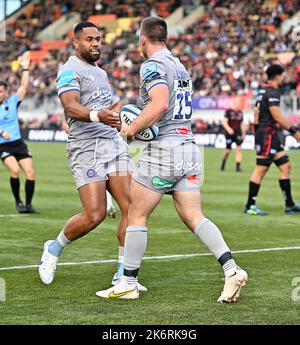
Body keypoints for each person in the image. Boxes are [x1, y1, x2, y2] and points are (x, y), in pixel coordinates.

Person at [96, 16, 247, 303]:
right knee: (194, 216)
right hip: (189, 148)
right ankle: (231, 269)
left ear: (142, 39)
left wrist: (131, 128)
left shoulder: (152, 64)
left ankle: (127, 282)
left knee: (135, 214)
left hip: (165, 150)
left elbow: (160, 102)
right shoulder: (180, 66)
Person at [38, 21, 146, 291]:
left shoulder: (101, 72)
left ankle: (124, 274)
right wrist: (98, 115)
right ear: (76, 42)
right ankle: (53, 248)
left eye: (98, 38)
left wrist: (119, 120)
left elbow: (106, 105)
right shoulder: (69, 70)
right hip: (86, 148)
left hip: (112, 144)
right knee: (94, 215)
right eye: (89, 39)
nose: (96, 43)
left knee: (132, 208)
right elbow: (71, 106)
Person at [244, 64, 300, 215]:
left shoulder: (262, 92)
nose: (284, 78)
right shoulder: (273, 91)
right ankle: (250, 206)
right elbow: (277, 116)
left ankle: (289, 205)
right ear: (278, 76)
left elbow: (255, 114)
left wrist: (257, 133)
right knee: (261, 169)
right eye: (283, 75)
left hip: (268, 135)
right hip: (267, 136)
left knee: (285, 166)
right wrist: (294, 132)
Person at [0, 53, 39, 214]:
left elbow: (23, 87)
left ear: (5, 92)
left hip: (18, 144)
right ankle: (18, 202)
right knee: (15, 170)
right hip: (3, 145)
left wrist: (25, 68)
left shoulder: (12, 102)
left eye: (1, 91)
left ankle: (28, 205)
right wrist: (1, 131)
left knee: (30, 173)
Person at [220, 105, 246, 172]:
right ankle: (223, 163)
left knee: (239, 149)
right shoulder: (228, 111)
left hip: (238, 134)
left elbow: (242, 124)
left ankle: (238, 167)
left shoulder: (240, 113)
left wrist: (243, 133)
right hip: (229, 134)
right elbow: (224, 122)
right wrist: (228, 129)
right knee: (228, 151)